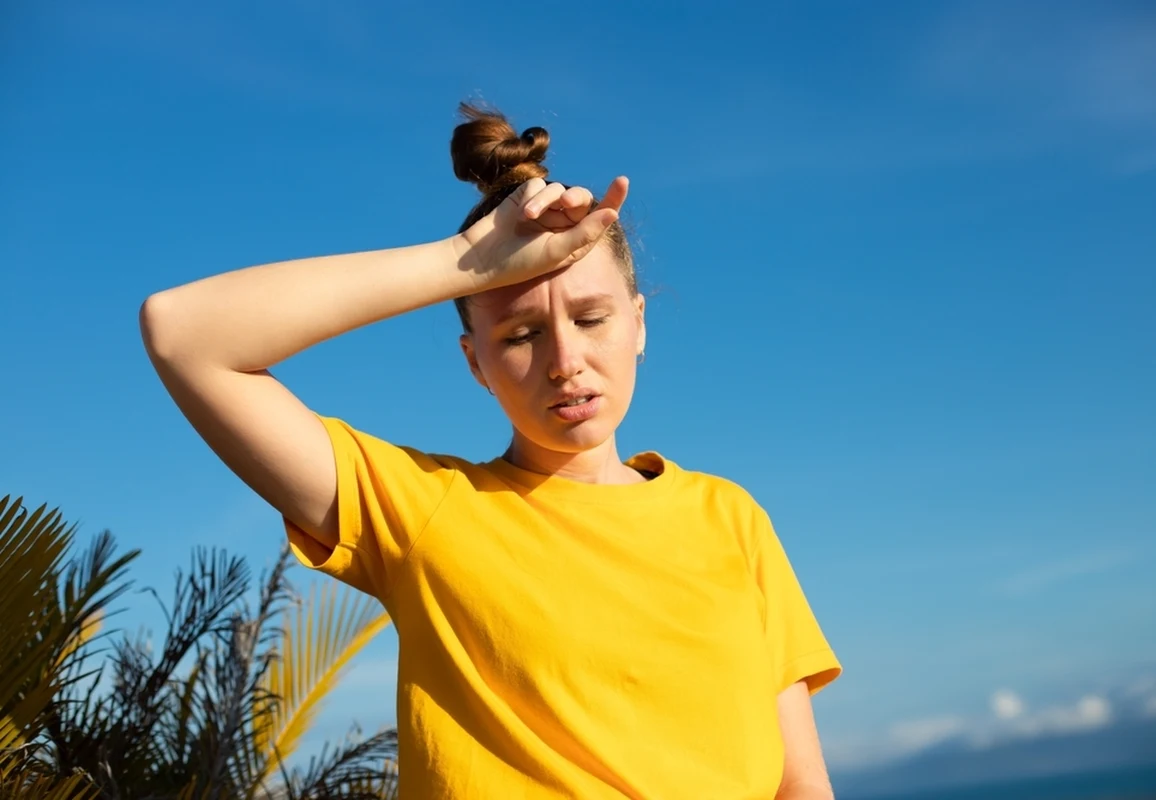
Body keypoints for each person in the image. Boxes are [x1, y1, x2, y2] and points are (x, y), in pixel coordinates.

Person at [141, 103, 842, 799]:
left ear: (639, 324)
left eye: (592, 318)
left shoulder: (730, 517)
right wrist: (463, 262)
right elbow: (185, 333)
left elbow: (799, 782)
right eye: (519, 336)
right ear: (474, 363)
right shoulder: (425, 512)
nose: (566, 361)